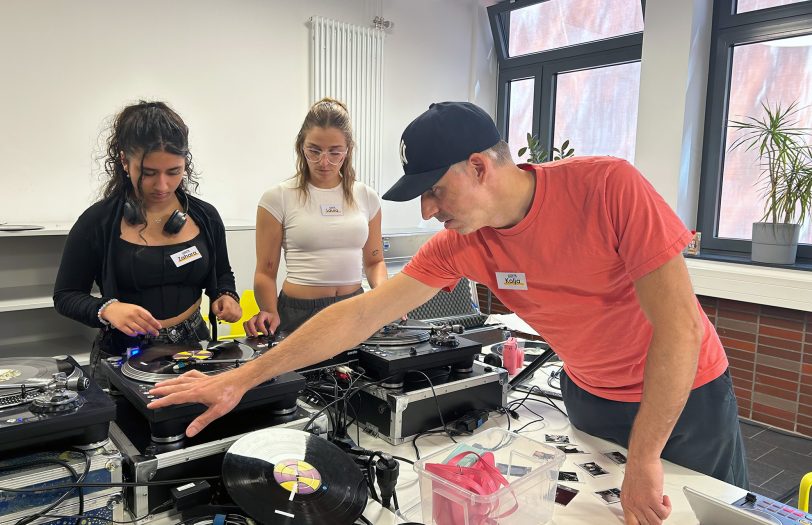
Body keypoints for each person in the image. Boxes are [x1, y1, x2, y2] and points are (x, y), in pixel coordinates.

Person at [149, 102, 748, 525]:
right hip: (590, 393)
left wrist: (645, 457)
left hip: (684, 396)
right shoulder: (465, 241)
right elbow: (359, 316)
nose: (430, 210)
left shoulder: (610, 188)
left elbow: (681, 327)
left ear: (480, 167)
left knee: (704, 514)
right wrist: (240, 379)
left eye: (435, 191)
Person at [53, 101, 242, 384]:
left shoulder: (206, 217)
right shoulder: (98, 222)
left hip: (195, 347)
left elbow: (222, 273)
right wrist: (107, 309)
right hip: (124, 352)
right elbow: (66, 295)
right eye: (149, 173)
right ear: (123, 161)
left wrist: (226, 295)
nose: (163, 186)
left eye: (174, 171)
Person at [243, 98, 387, 337]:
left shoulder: (367, 197)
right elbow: (265, 272)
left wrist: (384, 298)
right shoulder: (277, 198)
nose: (324, 162)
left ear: (348, 149)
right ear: (301, 145)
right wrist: (269, 310)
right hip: (300, 313)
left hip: (354, 307)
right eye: (314, 150)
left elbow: (375, 262)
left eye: (334, 152)